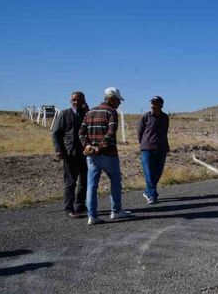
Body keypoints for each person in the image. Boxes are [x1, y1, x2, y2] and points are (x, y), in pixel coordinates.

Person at [79, 87, 134, 225]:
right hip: (108, 154)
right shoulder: (111, 112)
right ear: (111, 99)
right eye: (118, 100)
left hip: (91, 156)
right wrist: (99, 147)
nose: (119, 103)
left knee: (92, 185)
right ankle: (116, 211)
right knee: (115, 182)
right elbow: (111, 133)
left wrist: (87, 145)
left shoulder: (90, 112)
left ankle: (92, 215)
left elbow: (81, 132)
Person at [51, 91, 89, 218]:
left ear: (84, 101)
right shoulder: (65, 114)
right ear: (70, 101)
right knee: (70, 182)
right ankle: (68, 208)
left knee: (84, 181)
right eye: (74, 100)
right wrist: (58, 150)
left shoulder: (86, 115)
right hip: (70, 153)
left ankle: (80, 205)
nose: (76, 102)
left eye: (78, 100)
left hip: (85, 153)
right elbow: (56, 133)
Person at [137, 96, 170, 204]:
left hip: (161, 148)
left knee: (157, 173)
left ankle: (148, 191)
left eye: (155, 103)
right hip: (147, 148)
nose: (153, 105)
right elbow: (139, 132)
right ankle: (152, 195)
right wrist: (144, 143)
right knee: (148, 172)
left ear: (161, 105)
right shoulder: (146, 116)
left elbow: (165, 131)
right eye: (152, 103)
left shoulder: (165, 117)